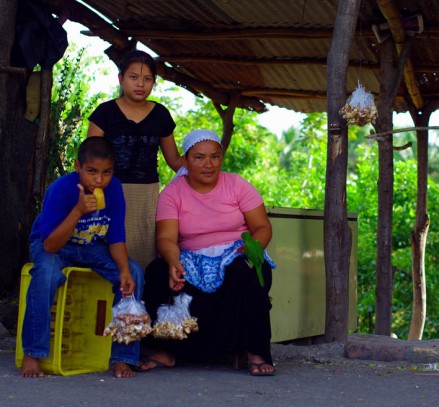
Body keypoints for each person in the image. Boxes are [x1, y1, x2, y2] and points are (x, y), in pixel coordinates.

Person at [140, 129, 276, 376]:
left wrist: (251, 250)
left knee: (246, 272)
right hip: (191, 257)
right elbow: (166, 238)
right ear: (185, 160)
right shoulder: (172, 193)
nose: (209, 164)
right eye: (199, 157)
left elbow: (262, 227)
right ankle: (165, 350)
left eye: (215, 157)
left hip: (236, 252)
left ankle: (256, 351)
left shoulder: (237, 185)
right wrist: (172, 261)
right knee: (158, 272)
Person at [22, 137, 144, 378]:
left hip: (90, 246)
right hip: (54, 246)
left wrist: (124, 271)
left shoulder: (114, 189)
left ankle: (123, 357)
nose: (99, 180)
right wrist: (78, 210)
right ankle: (33, 353)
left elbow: (115, 238)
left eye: (106, 172)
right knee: (46, 274)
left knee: (134, 273)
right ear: (78, 167)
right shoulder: (61, 189)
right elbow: (50, 245)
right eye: (92, 171)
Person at [87, 49, 182, 270]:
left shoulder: (161, 115)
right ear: (120, 78)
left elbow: (175, 161)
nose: (140, 84)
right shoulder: (105, 112)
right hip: (110, 192)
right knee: (112, 256)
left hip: (148, 196)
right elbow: (90, 160)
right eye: (134, 77)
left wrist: (205, 162)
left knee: (146, 257)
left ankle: (142, 293)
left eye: (147, 79)